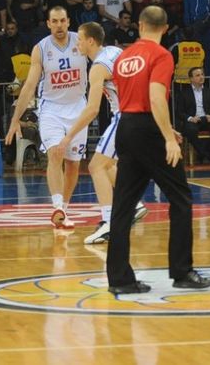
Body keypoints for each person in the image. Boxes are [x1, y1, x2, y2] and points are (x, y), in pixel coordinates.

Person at [106, 6, 210, 293]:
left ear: (140, 25)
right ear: (165, 28)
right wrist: (167, 136)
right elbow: (155, 98)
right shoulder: (162, 55)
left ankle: (119, 279)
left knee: (123, 206)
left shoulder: (124, 56)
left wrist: (165, 129)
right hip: (148, 130)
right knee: (180, 199)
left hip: (126, 127)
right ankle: (182, 272)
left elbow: (130, 98)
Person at [51, 22, 148, 245]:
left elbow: (93, 108)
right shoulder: (115, 51)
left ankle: (108, 223)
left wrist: (68, 136)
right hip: (140, 114)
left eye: (80, 40)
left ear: (91, 41)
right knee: (108, 164)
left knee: (95, 166)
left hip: (124, 117)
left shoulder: (97, 68)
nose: (77, 44)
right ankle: (135, 204)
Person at [5, 6, 88, 231]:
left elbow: (101, 62)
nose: (59, 25)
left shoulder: (81, 41)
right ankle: (57, 207)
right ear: (48, 23)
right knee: (55, 153)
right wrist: (15, 118)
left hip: (78, 108)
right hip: (51, 109)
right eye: (54, 21)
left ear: (69, 21)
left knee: (73, 165)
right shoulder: (40, 49)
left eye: (62, 20)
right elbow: (30, 85)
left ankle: (66, 210)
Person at [175, 67, 210, 164]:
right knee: (190, 130)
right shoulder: (183, 93)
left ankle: (203, 153)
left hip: (207, 119)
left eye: (202, 74)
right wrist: (190, 118)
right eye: (198, 75)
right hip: (193, 120)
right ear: (191, 79)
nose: (201, 77)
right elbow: (179, 112)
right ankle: (208, 156)